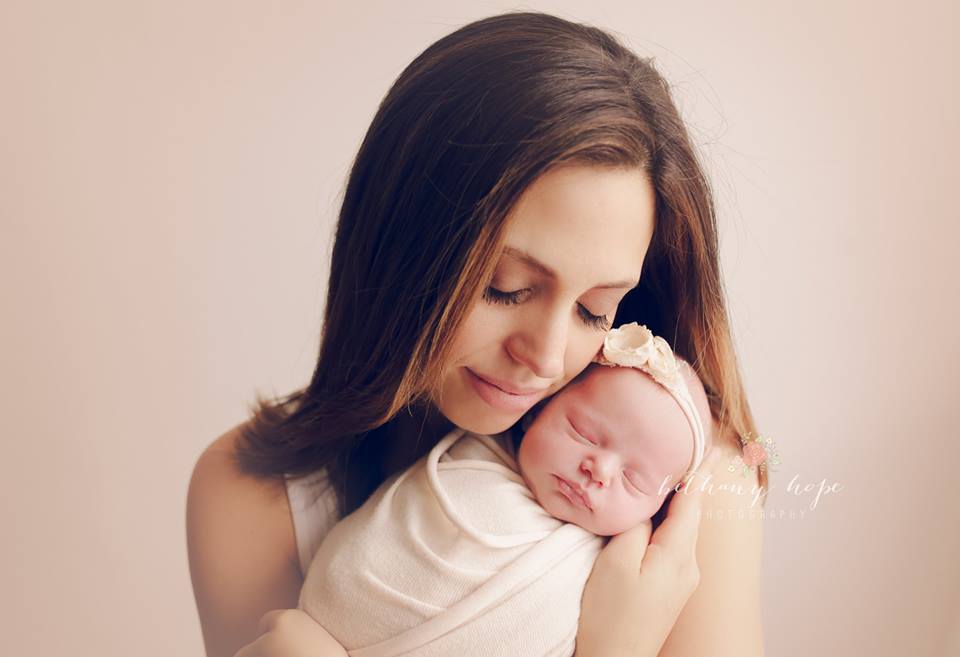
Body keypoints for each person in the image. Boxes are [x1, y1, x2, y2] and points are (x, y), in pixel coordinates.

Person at [186, 10, 766, 657]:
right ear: (398, 247)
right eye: (505, 287)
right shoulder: (251, 497)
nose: (544, 356)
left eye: (593, 311)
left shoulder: (686, 490)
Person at [295, 323, 721, 657]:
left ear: (663, 507)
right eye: (583, 433)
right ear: (536, 411)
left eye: (635, 480)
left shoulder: (624, 572)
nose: (599, 470)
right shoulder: (468, 462)